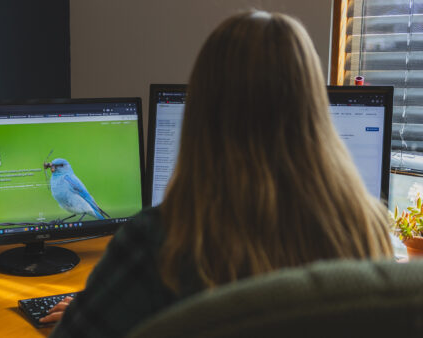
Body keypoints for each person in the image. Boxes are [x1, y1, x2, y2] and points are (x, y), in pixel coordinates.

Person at [44, 10, 394, 338]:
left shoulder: (160, 240)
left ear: (202, 114)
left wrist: (90, 308)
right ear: (315, 111)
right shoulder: (366, 230)